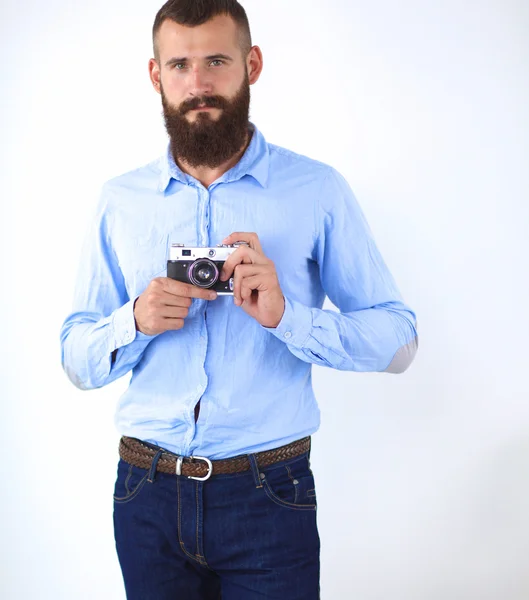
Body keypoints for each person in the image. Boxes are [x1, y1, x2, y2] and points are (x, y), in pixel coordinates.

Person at [59, 1, 419, 598]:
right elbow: (75, 358)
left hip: (269, 496)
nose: (197, 84)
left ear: (251, 64)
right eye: (179, 64)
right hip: (145, 495)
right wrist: (135, 321)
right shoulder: (118, 201)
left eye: (216, 61)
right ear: (156, 76)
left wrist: (287, 318)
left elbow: (401, 342)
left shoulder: (316, 190)